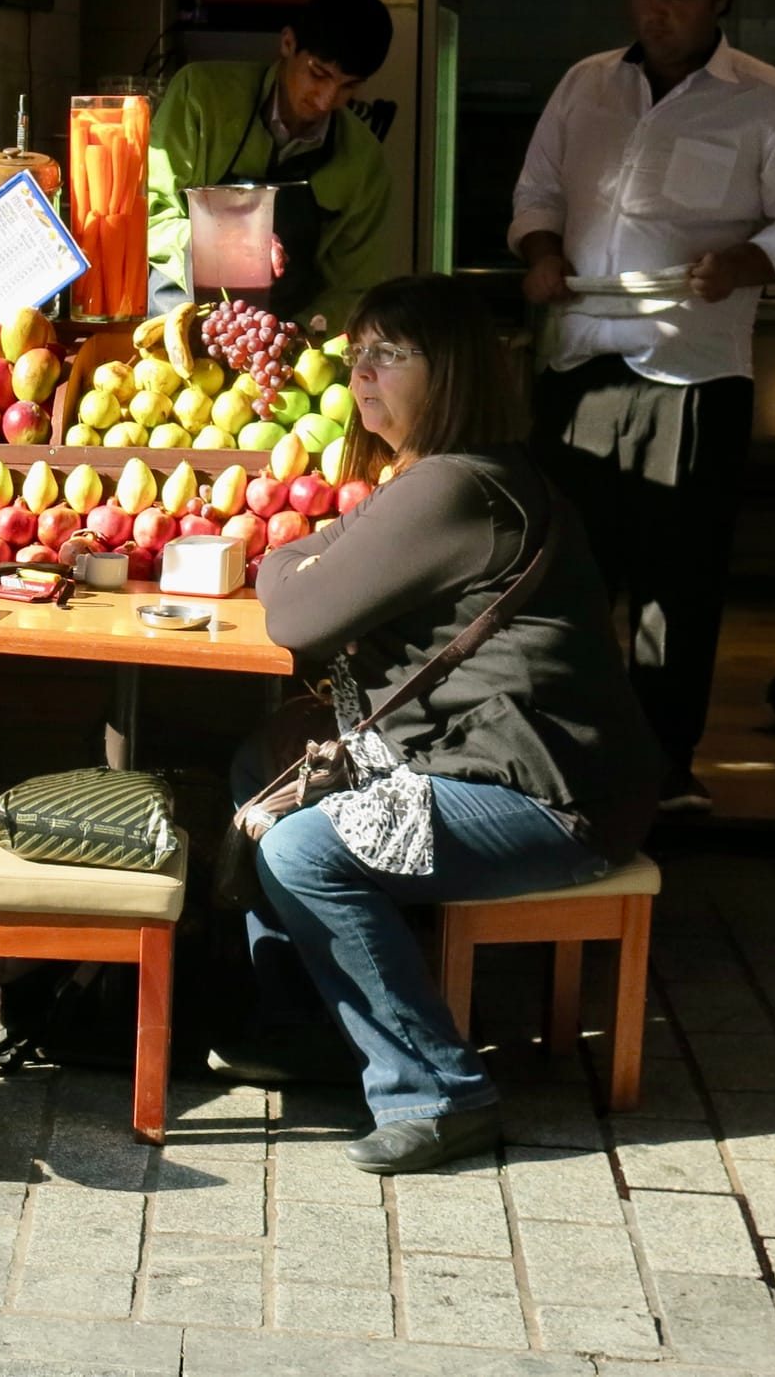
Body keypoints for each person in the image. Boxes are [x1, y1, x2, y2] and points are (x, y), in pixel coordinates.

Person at [211, 274, 661, 1176]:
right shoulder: (447, 476)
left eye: (389, 354)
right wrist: (308, 556)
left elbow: (295, 613)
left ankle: (440, 1094)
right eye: (356, 355)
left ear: (450, 368)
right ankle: (306, 1025)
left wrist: (289, 558)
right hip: (497, 762)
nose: (362, 374)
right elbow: (313, 573)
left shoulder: (455, 487)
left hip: (551, 795)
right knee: (262, 761)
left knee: (304, 849)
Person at [511, 0, 775, 817]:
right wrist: (543, 252)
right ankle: (567, 756)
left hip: (693, 375)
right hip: (581, 359)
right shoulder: (587, 83)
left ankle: (667, 768)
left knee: (680, 582)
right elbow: (537, 191)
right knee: (575, 575)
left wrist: (742, 261)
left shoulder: (766, 99)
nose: (654, 10)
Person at [146, 0, 395, 331]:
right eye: (318, 74)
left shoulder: (363, 161)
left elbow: (354, 286)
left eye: (347, 87)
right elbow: (147, 214)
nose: (325, 100)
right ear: (288, 43)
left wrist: (298, 336)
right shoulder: (201, 97)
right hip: (179, 319)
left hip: (284, 337)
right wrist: (226, 242)